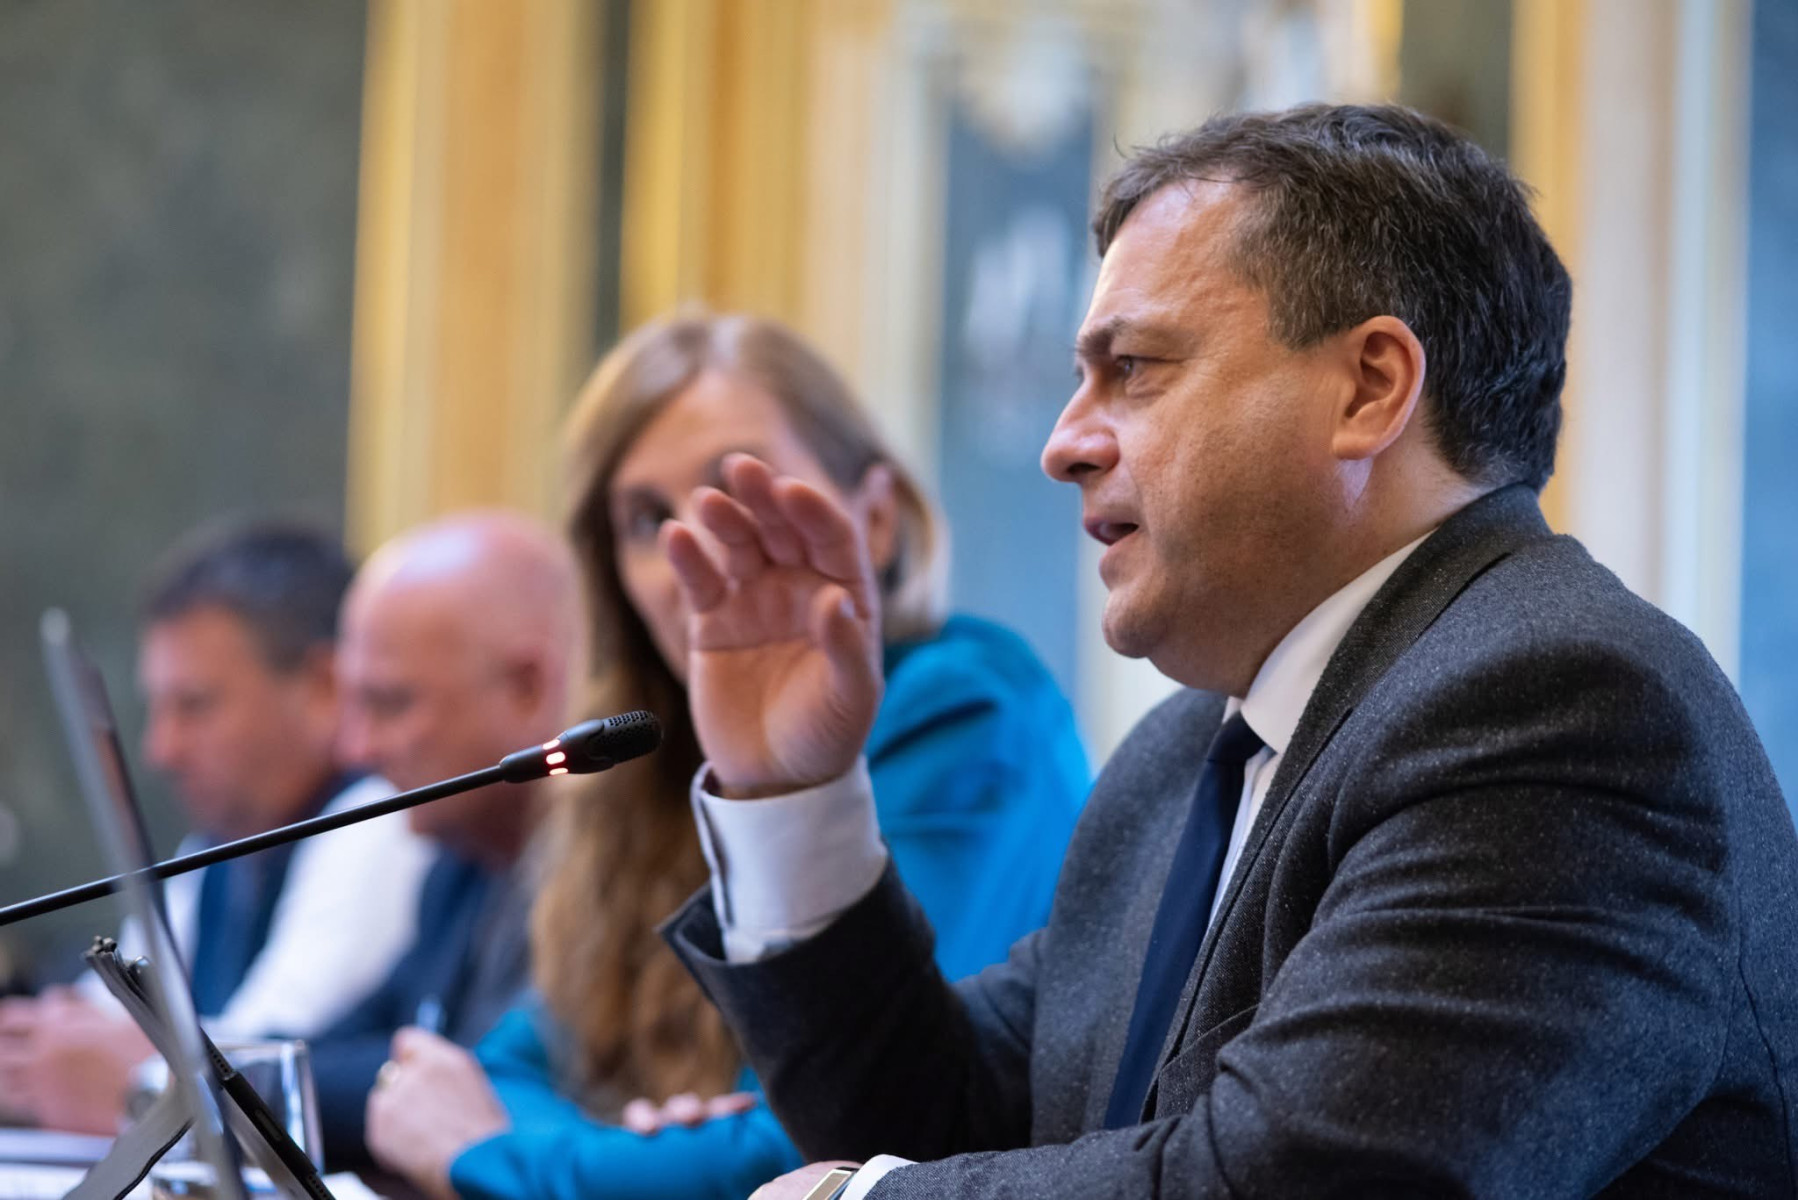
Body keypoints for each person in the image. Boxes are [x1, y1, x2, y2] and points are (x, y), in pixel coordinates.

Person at [649, 105, 1798, 1198]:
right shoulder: (1181, 757)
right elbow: (952, 1121)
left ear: (1369, 388)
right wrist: (791, 793)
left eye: (1134, 368)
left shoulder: (1559, 708)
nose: (1063, 443)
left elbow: (1316, 1182)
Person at [361, 313, 1090, 1200]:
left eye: (740, 497)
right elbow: (508, 1069)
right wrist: (630, 1157)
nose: (690, 555)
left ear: (875, 518)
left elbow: (840, 1151)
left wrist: (492, 1162)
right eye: (646, 521)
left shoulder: (962, 704)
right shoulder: (645, 766)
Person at [0, 521, 434, 1133]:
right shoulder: (215, 852)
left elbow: (264, 1063)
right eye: (157, 709)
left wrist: (124, 1073)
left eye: (195, 706)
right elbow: (105, 1025)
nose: (161, 750)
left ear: (323, 688)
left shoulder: (378, 821)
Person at [306, 510, 585, 1169]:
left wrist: (183, 1076)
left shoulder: (619, 877)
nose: (357, 749)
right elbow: (348, 1047)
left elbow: (485, 1091)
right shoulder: (461, 864)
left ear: (529, 686)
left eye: (392, 703)